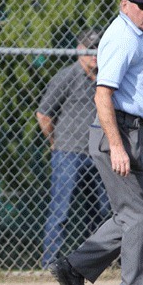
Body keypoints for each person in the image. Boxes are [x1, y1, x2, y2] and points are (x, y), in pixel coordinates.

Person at [50, 0, 143, 285]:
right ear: (124, 5)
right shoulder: (121, 38)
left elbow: (137, 96)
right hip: (114, 132)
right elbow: (103, 95)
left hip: (134, 129)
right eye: (142, 5)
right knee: (139, 210)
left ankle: (73, 267)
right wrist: (117, 146)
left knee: (131, 214)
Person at [36, 28, 110, 268]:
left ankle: (95, 262)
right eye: (90, 49)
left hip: (99, 154)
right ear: (79, 50)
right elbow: (43, 114)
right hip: (68, 153)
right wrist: (55, 141)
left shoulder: (106, 79)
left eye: (99, 49)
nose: (95, 55)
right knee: (61, 211)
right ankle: (50, 261)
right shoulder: (67, 76)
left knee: (100, 211)